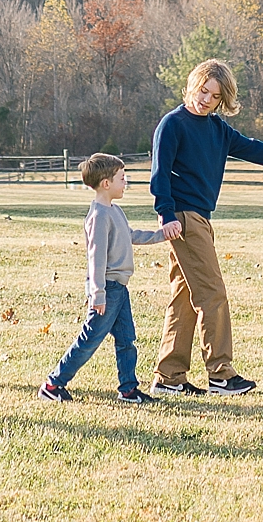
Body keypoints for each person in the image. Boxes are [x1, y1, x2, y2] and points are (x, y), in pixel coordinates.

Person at [149, 59, 263, 396]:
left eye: (214, 96)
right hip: (183, 219)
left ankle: (168, 378)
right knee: (213, 294)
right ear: (193, 85)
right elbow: (160, 173)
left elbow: (254, 149)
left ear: (222, 100)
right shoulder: (173, 124)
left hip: (201, 219)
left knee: (185, 298)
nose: (206, 99)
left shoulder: (217, 130)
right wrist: (165, 213)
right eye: (203, 90)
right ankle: (220, 374)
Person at [39, 152, 166, 404]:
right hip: (107, 289)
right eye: (122, 178)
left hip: (119, 288)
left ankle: (128, 389)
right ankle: (53, 384)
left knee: (127, 339)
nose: (125, 182)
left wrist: (162, 235)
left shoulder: (114, 210)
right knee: (89, 340)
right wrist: (97, 294)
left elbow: (130, 235)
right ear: (106, 184)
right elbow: (95, 259)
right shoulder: (98, 216)